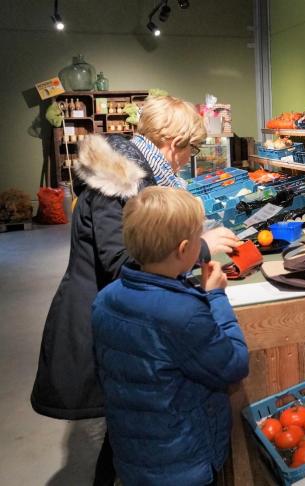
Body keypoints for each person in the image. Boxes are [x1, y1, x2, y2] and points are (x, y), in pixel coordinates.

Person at [30, 95, 240, 485]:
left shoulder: (133, 173)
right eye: (191, 148)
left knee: (127, 432)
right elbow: (120, 261)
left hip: (114, 314)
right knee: (128, 432)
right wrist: (201, 248)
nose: (188, 158)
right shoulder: (118, 182)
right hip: (102, 319)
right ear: (172, 143)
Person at [91, 186, 249, 485]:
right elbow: (234, 364)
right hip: (184, 462)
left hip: (133, 453)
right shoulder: (183, 314)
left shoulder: (105, 298)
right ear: (184, 249)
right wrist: (215, 297)